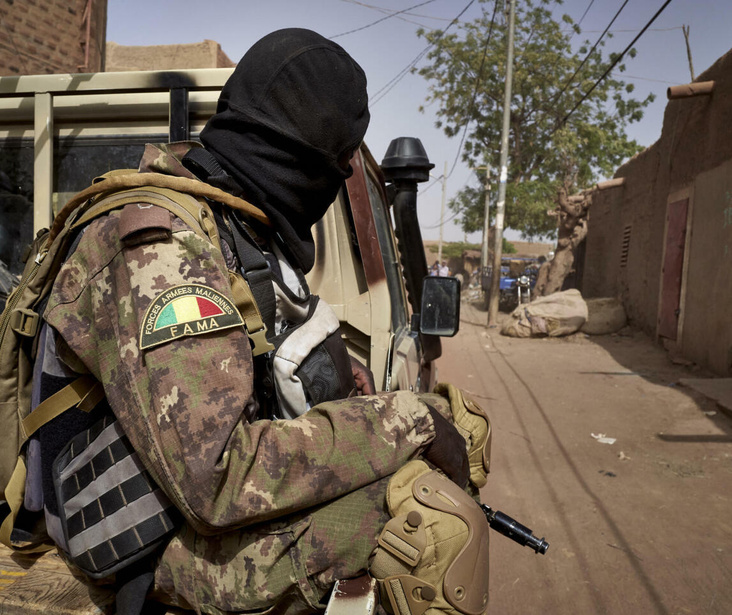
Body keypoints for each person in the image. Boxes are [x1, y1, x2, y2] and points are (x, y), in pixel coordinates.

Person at [35, 28, 490, 615]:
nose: (348, 169)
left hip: (174, 503)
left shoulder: (234, 218)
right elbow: (217, 479)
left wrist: (368, 404)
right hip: (137, 539)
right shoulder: (165, 253)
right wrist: (404, 420)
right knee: (429, 535)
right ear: (304, 152)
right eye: (344, 154)